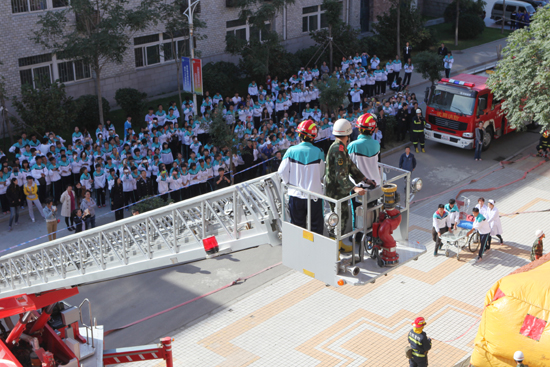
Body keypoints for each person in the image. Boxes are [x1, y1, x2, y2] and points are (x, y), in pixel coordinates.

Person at [325, 119, 373, 252]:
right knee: (338, 219)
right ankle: (334, 249)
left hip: (340, 190)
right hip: (336, 191)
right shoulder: (338, 149)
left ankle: (338, 245)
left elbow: (350, 166)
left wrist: (364, 179)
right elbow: (341, 174)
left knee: (342, 218)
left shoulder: (340, 147)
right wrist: (355, 188)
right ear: (348, 133)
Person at [278, 120, 325, 235]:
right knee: (316, 228)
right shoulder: (319, 152)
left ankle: (300, 251)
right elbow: (321, 173)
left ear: (299, 135)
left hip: (296, 194)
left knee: (298, 228)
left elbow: (281, 171)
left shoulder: (291, 151)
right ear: (313, 136)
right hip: (315, 196)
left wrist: (289, 182)